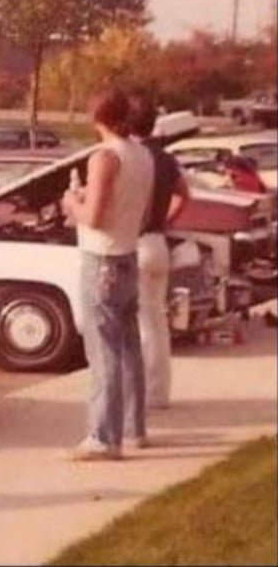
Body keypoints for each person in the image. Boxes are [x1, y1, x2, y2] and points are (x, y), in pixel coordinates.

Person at [62, 88, 154, 461]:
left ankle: (103, 436)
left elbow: (94, 217)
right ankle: (135, 428)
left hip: (101, 260)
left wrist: (72, 202)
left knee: (103, 351)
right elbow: (139, 213)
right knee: (129, 347)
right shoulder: (142, 154)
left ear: (96, 116)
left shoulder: (104, 157)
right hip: (129, 254)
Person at [127, 95, 191, 409]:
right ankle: (159, 392)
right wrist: (165, 220)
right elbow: (184, 195)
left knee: (139, 323)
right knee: (157, 320)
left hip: (136, 243)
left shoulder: (132, 157)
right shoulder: (165, 158)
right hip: (158, 242)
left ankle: (142, 393)